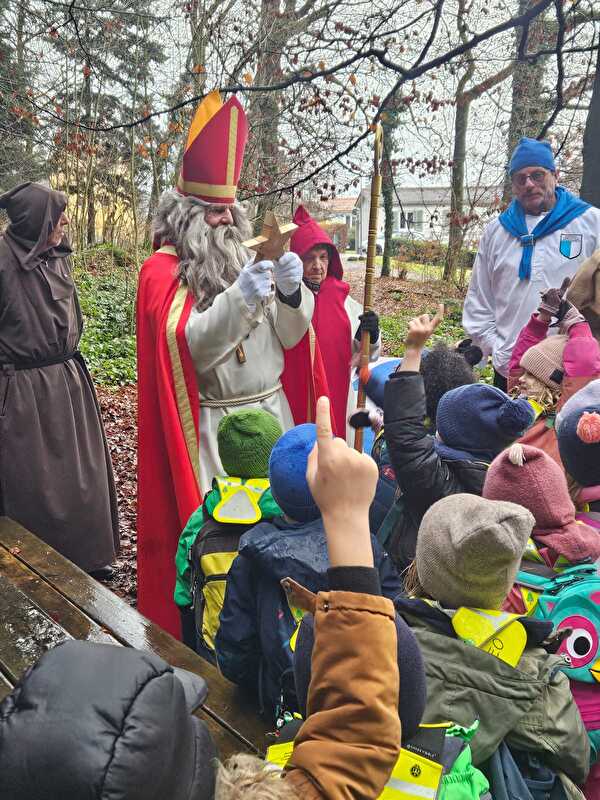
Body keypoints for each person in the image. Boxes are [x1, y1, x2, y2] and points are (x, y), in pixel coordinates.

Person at [0, 396, 403, 800]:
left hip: (266, 690)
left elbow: (209, 614)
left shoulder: (237, 541)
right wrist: (348, 520)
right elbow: (355, 738)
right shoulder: (357, 544)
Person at [136, 91, 313, 637]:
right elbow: (186, 350)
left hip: (274, 415)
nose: (223, 220)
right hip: (215, 430)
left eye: (228, 211)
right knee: (228, 548)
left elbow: (291, 339)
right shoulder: (162, 271)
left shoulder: (248, 257)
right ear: (184, 213)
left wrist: (290, 293)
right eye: (212, 211)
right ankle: (225, 638)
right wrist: (237, 300)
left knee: (283, 534)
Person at [396, 493, 590, 796]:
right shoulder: (536, 671)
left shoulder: (382, 642)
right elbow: (576, 759)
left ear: (423, 563)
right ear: (505, 579)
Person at [215, 421, 400, 719]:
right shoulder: (366, 547)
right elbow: (396, 620)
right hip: (362, 702)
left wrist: (268, 687)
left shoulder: (251, 559)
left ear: (273, 494)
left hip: (282, 707)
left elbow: (234, 654)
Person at [0, 182, 119, 577]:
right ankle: (35, 569)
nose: (65, 220)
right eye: (57, 212)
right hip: (22, 393)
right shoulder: (2, 261)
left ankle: (87, 558)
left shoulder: (58, 257)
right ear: (36, 220)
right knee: (32, 485)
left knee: (81, 481)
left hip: (69, 383)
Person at [380, 306, 534, 571]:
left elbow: (405, 436)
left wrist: (413, 351)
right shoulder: (506, 475)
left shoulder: (440, 482)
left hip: (418, 571)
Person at [463, 136, 600, 391]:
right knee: (511, 432)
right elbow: (480, 300)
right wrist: (499, 348)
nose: (529, 184)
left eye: (537, 175)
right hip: (511, 371)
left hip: (572, 375)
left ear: (555, 175)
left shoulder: (591, 223)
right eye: (520, 178)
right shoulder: (497, 232)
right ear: (513, 184)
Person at [174, 408, 282, 655]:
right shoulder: (286, 511)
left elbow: (184, 581)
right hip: (274, 647)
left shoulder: (203, 515)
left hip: (215, 647)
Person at [281, 205, 380, 442]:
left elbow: (367, 353)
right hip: (294, 394)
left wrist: (372, 334)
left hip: (336, 394)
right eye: (310, 258)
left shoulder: (344, 301)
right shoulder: (285, 299)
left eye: (323, 257)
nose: (318, 265)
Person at [507, 283, 600, 465]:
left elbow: (584, 366)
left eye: (532, 375)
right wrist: (543, 318)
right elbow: (518, 365)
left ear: (556, 383)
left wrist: (576, 323)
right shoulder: (519, 408)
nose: (522, 379)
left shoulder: (564, 421)